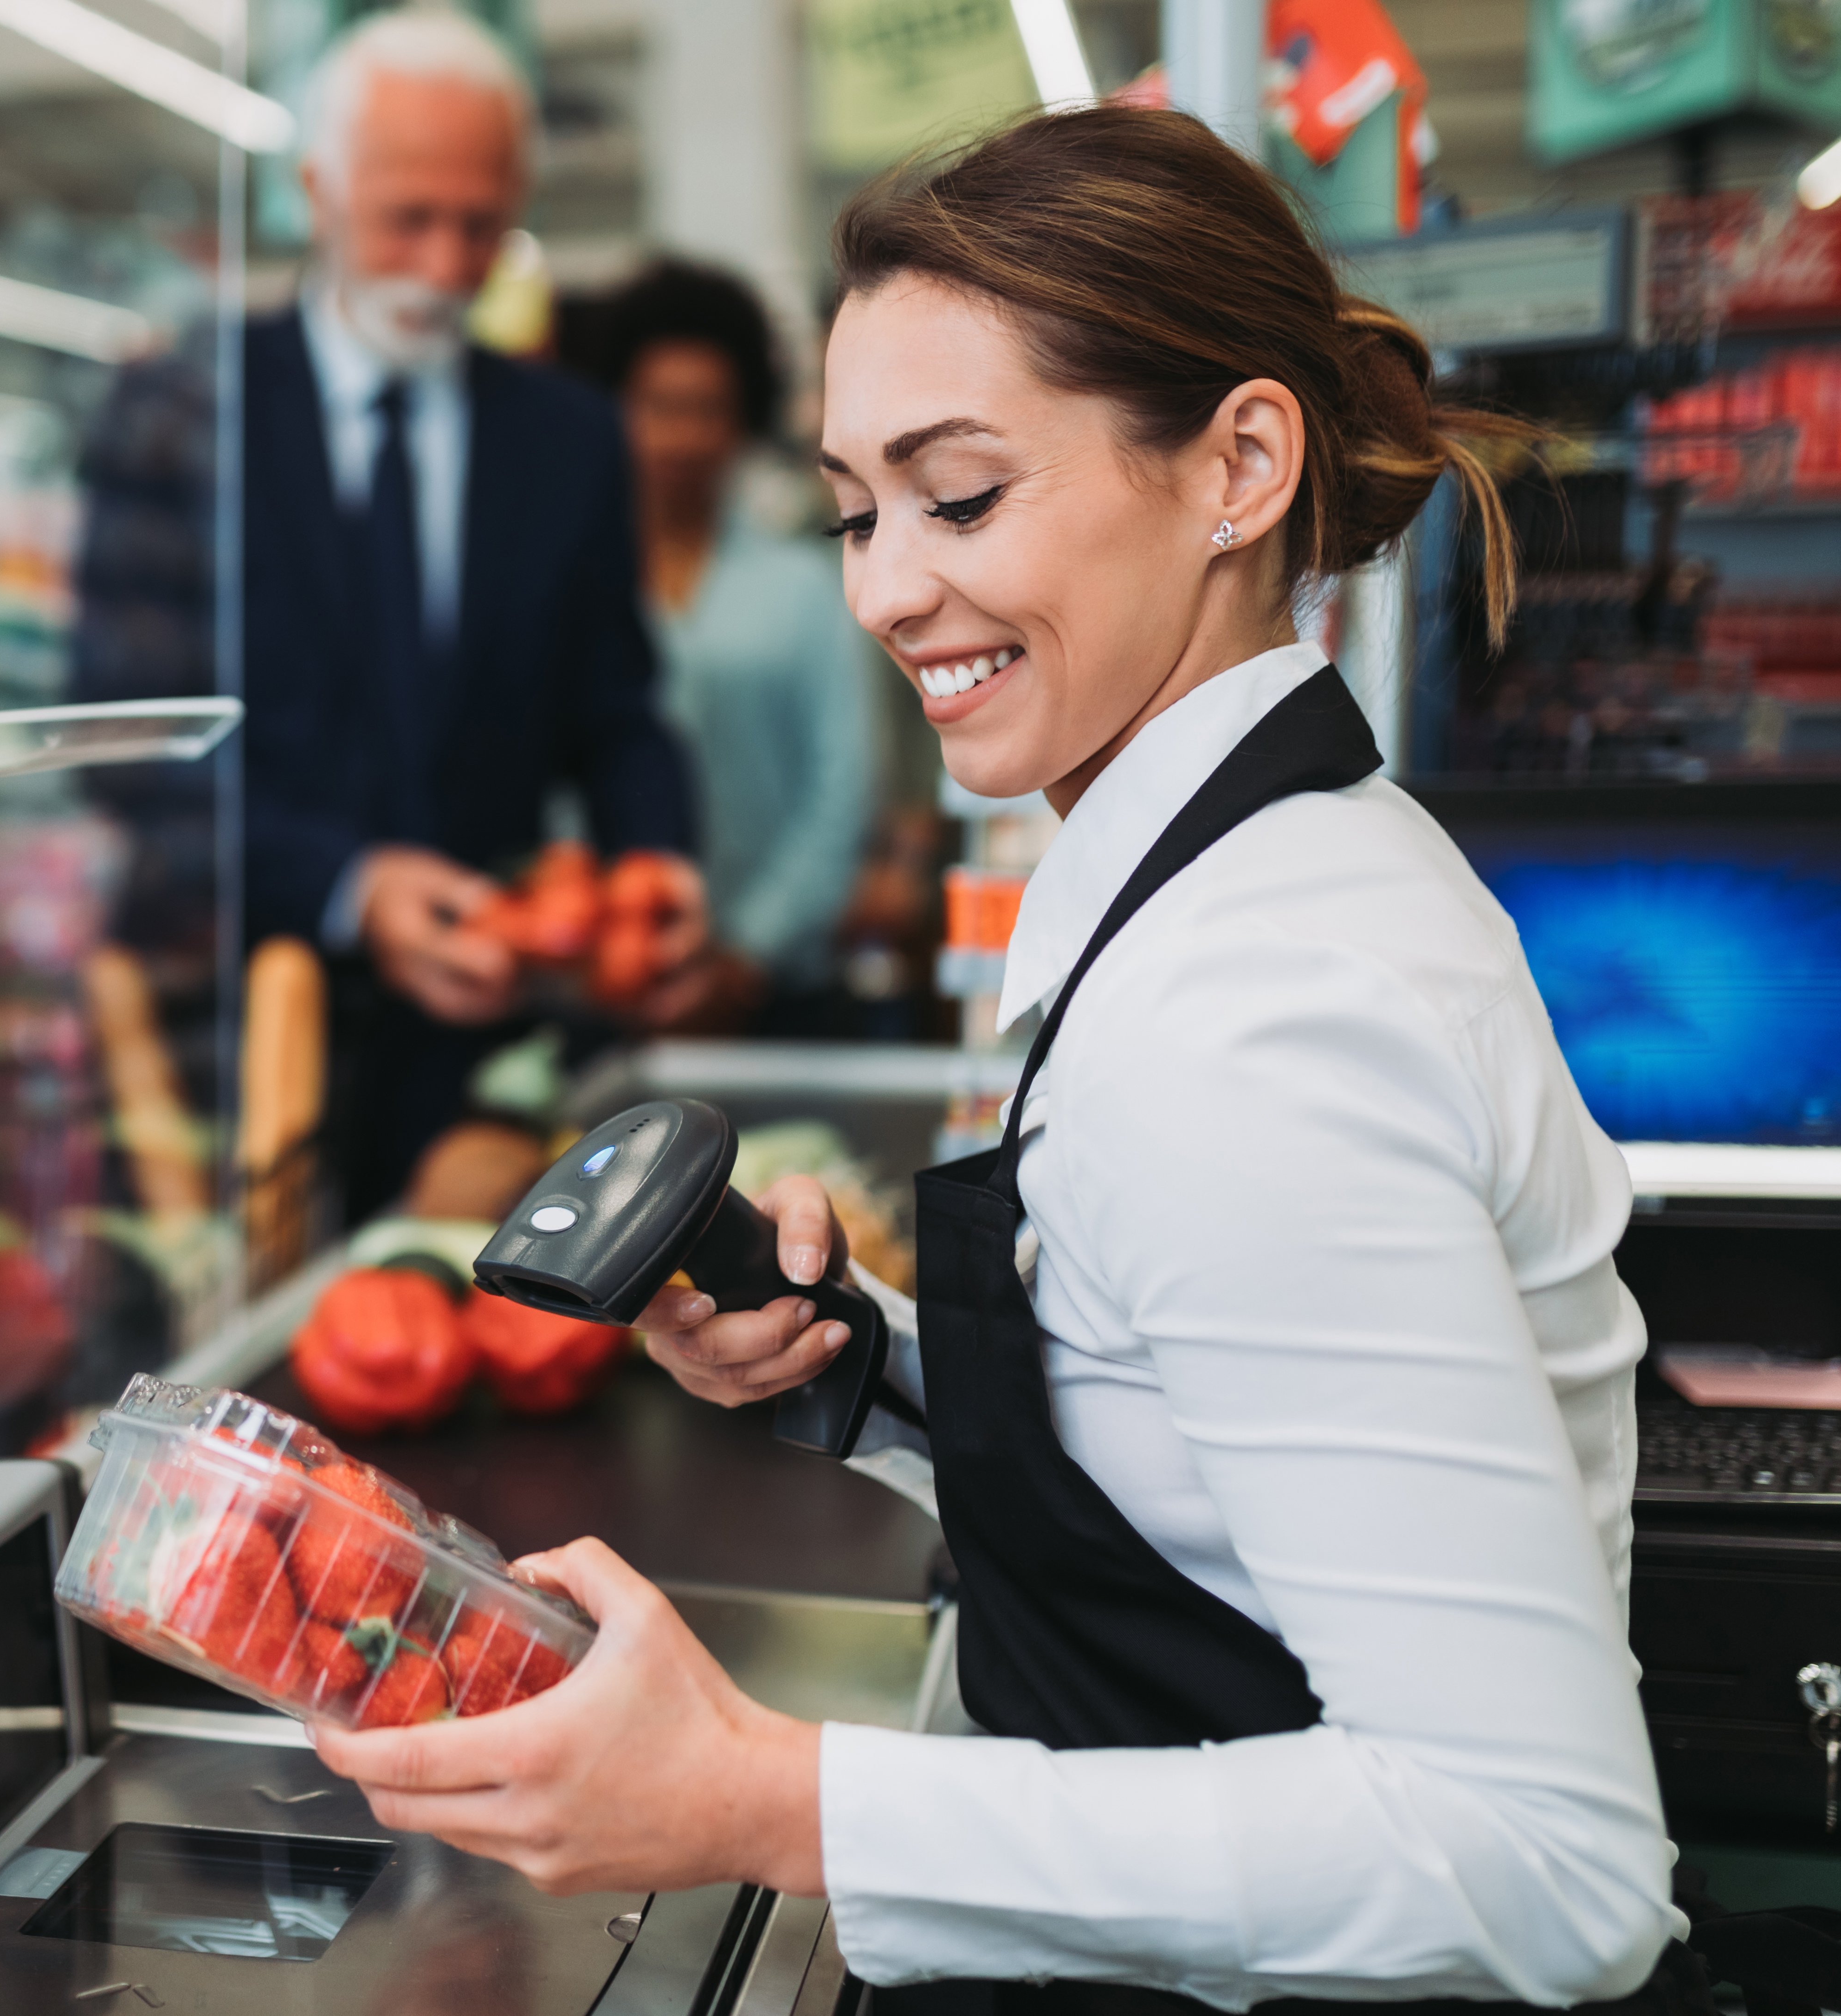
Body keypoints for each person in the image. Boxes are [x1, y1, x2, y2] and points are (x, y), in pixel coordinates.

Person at [314, 106, 1696, 2015]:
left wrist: (763, 1797)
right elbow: (1199, 1491)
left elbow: (1539, 1865)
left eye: (955, 500)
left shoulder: (1251, 1026)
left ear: (1233, 463)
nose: (883, 591)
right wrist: (861, 1375)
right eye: (852, 511)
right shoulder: (1220, 879)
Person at [240, 11, 704, 1216]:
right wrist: (350, 885)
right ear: (316, 193)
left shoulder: (567, 438)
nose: (447, 267)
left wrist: (655, 860)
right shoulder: (191, 414)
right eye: (409, 219)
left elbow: (615, 712)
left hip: (491, 1055)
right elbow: (136, 752)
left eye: (483, 226)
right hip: (242, 1052)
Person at [579, 259, 883, 1027]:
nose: (681, 434)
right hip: (601, 992)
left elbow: (840, 788)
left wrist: (745, 955)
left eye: (706, 407)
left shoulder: (803, 586)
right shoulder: (571, 590)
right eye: (656, 405)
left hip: (780, 998)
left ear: (742, 416)